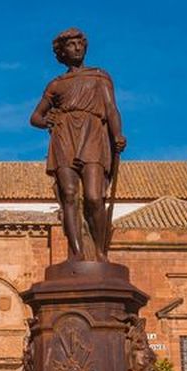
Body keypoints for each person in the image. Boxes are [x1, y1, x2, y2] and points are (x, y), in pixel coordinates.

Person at [30, 28, 125, 262]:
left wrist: (117, 135)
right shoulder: (56, 84)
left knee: (94, 197)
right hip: (64, 137)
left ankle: (100, 252)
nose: (77, 48)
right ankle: (76, 252)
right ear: (62, 52)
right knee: (69, 195)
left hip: (92, 135)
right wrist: (48, 121)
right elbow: (35, 117)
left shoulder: (100, 76)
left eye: (80, 44)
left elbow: (111, 109)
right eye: (71, 45)